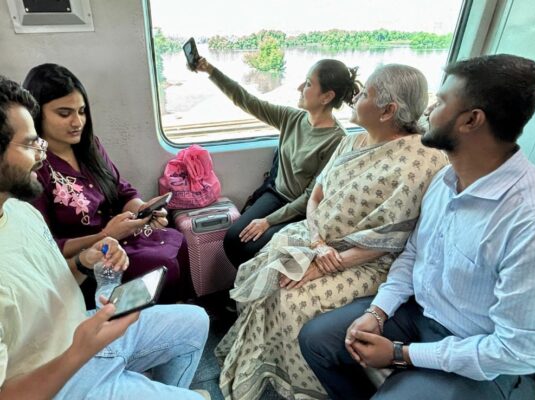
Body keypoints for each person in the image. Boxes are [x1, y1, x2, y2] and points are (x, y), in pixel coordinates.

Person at [298, 54, 535, 400]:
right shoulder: (445, 180)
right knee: (317, 339)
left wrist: (400, 354)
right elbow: (413, 254)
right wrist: (377, 312)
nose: (427, 112)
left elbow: (523, 352)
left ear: (471, 120)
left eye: (440, 102)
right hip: (423, 314)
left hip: (488, 358)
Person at [214, 64, 447, 400]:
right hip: (319, 242)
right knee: (266, 272)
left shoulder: (422, 161)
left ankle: (303, 388)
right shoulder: (351, 141)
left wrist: (327, 260)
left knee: (290, 299)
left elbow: (391, 238)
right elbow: (317, 195)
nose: (355, 97)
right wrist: (317, 243)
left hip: (365, 261)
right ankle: (263, 369)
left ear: (388, 110)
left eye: (364, 93)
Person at [0, 75, 210, 399]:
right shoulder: (37, 190)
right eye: (30, 143)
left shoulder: (19, 212)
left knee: (196, 322)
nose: (41, 154)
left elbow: (53, 270)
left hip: (81, 327)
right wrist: (78, 352)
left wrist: (86, 261)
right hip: (60, 373)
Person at [22, 63, 194, 304]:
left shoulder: (90, 147)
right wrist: (105, 234)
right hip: (92, 256)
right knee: (162, 263)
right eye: (64, 113)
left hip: (123, 235)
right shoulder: (35, 170)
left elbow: (122, 191)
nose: (77, 122)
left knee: (178, 239)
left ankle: (177, 314)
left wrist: (143, 210)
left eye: (81, 111)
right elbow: (48, 246)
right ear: (38, 114)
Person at [190, 56, 360, 267]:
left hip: (299, 210)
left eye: (307, 84)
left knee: (253, 249)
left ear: (326, 96)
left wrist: (268, 221)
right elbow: (247, 100)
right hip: (275, 194)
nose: (300, 87)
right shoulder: (292, 118)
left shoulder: (336, 139)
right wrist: (210, 70)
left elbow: (310, 197)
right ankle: (245, 290)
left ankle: (250, 290)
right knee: (233, 239)